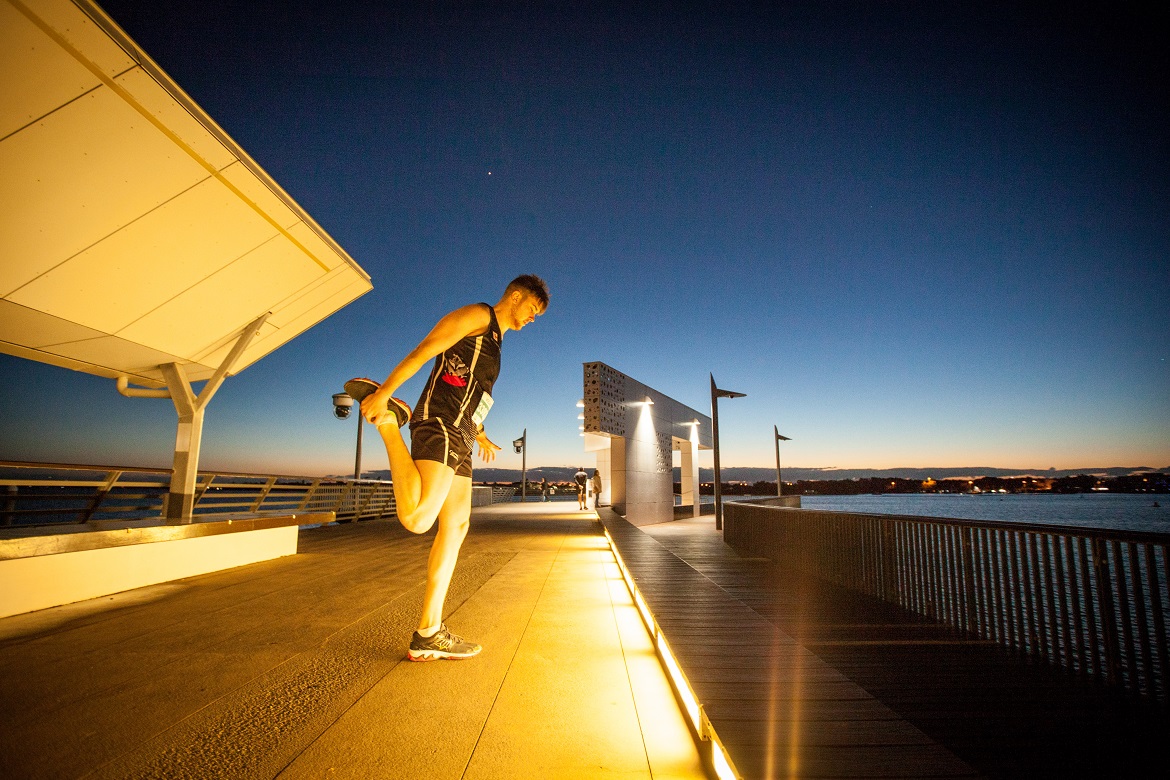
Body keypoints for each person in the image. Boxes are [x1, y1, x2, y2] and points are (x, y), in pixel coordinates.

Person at [346, 274, 549, 661]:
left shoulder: (497, 343)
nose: (533, 319)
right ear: (517, 296)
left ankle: (428, 632)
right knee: (418, 520)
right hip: (439, 420)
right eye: (533, 310)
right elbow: (426, 349)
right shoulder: (478, 315)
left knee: (457, 526)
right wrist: (385, 393)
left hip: (463, 432)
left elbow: (473, 390)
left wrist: (482, 432)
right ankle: (389, 422)